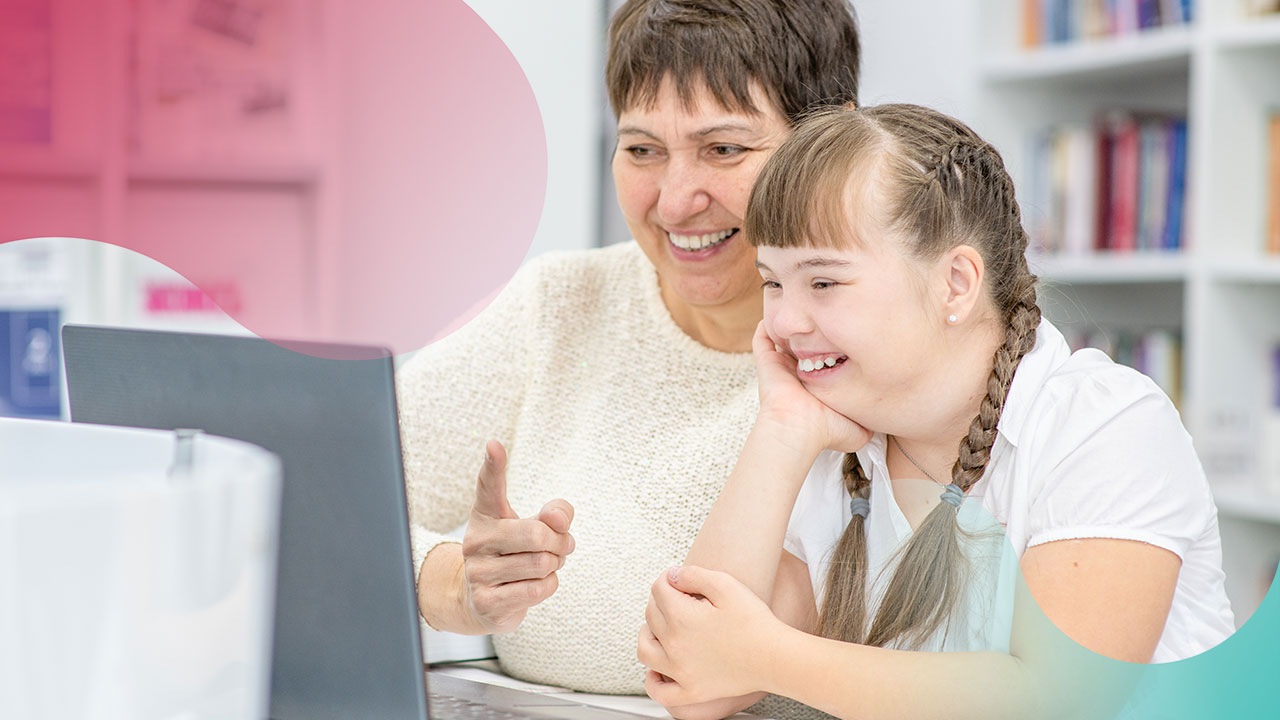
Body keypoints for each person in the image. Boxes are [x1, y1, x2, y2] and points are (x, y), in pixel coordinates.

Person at [637, 104, 1236, 719]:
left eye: (823, 283)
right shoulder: (837, 433)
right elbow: (697, 679)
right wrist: (782, 429)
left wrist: (767, 657)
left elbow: (1056, 702)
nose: (785, 322)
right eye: (773, 282)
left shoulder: (1106, 425)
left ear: (955, 282)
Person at [395, 0, 861, 695]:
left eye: (723, 149)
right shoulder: (561, 304)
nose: (674, 203)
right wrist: (453, 583)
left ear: (832, 144)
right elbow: (325, 498)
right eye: (642, 149)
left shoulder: (883, 352)